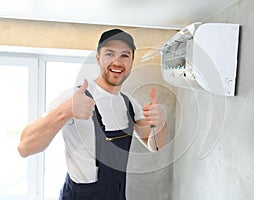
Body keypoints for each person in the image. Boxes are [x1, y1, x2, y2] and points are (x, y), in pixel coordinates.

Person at [17, 28, 167, 200]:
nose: (117, 62)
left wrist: (161, 122)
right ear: (98, 58)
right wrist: (64, 111)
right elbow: (24, 147)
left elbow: (154, 145)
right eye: (110, 54)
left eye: (124, 55)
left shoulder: (130, 104)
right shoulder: (73, 97)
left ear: (132, 61)